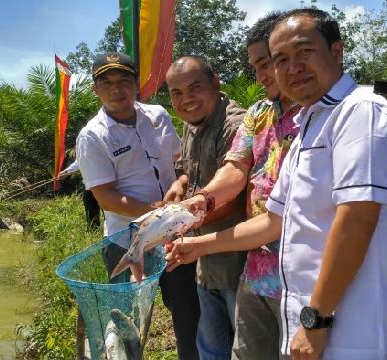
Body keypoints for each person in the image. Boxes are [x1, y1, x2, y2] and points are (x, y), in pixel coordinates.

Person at [167, 9, 387, 359]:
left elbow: (356, 220)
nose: (289, 68)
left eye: (304, 53)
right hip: (291, 297)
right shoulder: (308, 125)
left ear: (337, 51)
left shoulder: (361, 113)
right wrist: (198, 244)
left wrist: (316, 321)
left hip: (354, 323)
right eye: (280, 59)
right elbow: (274, 221)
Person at [178, 11, 300, 360]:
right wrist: (201, 199)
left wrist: (199, 241)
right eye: (257, 67)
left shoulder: (318, 115)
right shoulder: (260, 112)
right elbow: (235, 168)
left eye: (269, 64)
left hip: (302, 272)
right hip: (258, 267)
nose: (262, 76)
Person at [75, 52, 200, 359]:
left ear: (136, 85)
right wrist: (155, 210)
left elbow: (179, 162)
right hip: (125, 239)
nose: (116, 89)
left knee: (187, 309)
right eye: (106, 82)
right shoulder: (92, 136)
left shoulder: (158, 115)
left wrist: (179, 184)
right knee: (125, 322)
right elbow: (106, 197)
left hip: (173, 233)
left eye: (124, 81)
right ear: (95, 89)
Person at [164, 55, 247, 359]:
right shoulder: (191, 123)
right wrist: (179, 184)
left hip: (237, 261)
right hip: (203, 259)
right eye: (177, 93)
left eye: (194, 88)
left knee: (244, 346)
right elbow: (191, 169)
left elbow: (239, 195)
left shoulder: (236, 124)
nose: (186, 100)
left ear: (216, 83)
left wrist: (183, 222)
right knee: (211, 348)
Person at [58, 160, 102, 229]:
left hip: (104, 183)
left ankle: (110, 235)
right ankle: (93, 233)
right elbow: (80, 160)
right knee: (91, 213)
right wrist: (67, 171)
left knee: (109, 211)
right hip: (88, 183)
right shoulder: (81, 149)